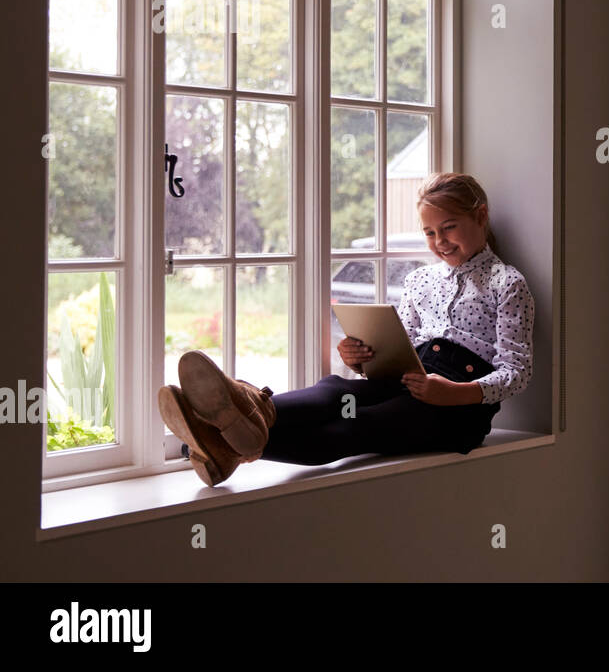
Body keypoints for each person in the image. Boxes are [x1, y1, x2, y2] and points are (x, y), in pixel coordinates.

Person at [157, 172, 535, 486]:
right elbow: (402, 346)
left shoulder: (507, 283)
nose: (440, 242)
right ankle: (234, 418)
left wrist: (457, 393)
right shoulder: (421, 280)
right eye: (430, 233)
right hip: (408, 380)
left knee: (355, 422)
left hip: (456, 411)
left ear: (481, 216)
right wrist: (361, 358)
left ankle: (219, 440)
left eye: (449, 228)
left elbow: (517, 373)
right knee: (335, 392)